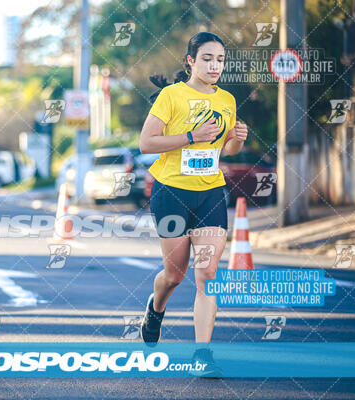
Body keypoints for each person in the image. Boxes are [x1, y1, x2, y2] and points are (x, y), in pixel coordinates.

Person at [138, 32, 248, 378]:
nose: (214, 65)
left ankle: (203, 355)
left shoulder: (227, 100)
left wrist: (235, 140)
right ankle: (156, 310)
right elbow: (146, 143)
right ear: (191, 61)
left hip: (210, 193)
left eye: (220, 60)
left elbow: (225, 150)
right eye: (207, 59)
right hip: (171, 193)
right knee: (174, 274)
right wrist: (189, 137)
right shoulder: (172, 96)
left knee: (207, 275)